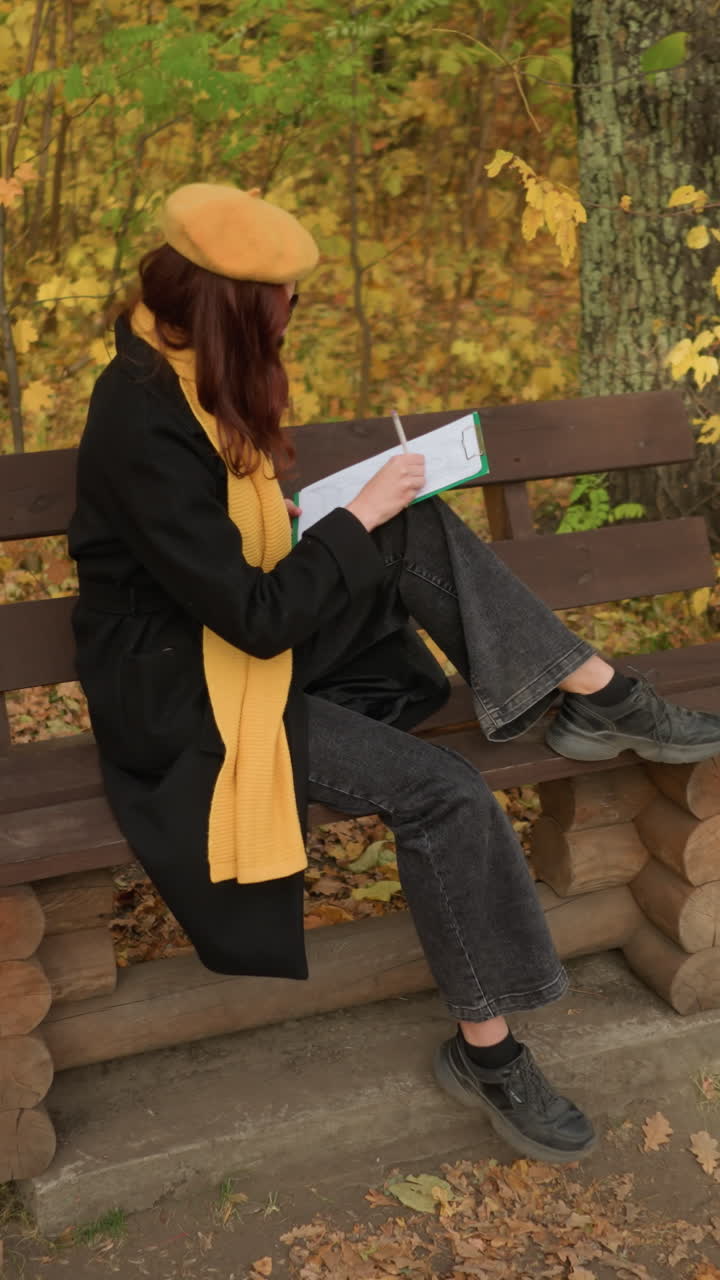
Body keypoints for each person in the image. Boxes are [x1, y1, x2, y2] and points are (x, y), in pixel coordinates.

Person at [68, 183, 720, 1168]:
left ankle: (596, 692)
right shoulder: (142, 418)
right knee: (447, 791)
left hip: (241, 642)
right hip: (195, 697)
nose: (292, 319)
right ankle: (489, 1055)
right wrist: (345, 518)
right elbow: (250, 619)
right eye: (283, 303)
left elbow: (227, 557)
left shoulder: (183, 366)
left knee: (411, 513)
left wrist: (339, 514)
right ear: (232, 306)